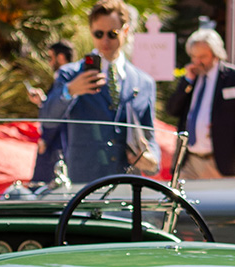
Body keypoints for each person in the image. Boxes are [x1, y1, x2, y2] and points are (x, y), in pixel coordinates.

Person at [38, 0, 158, 182]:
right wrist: (69, 91)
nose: (105, 41)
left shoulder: (144, 82)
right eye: (98, 34)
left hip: (128, 185)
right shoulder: (70, 74)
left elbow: (149, 135)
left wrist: (151, 161)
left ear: (125, 31)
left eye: (112, 33)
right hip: (84, 184)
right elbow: (47, 120)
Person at [165, 28, 235, 179]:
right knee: (183, 201)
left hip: (221, 161)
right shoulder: (192, 79)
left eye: (202, 56)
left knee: (224, 202)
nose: (197, 62)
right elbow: (172, 110)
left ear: (216, 54)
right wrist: (187, 82)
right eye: (194, 57)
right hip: (190, 161)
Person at [27, 40, 73, 184]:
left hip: (57, 146)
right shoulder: (68, 78)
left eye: (50, 57)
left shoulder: (66, 78)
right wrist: (43, 101)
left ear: (60, 57)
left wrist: (45, 139)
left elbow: (62, 114)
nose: (49, 62)